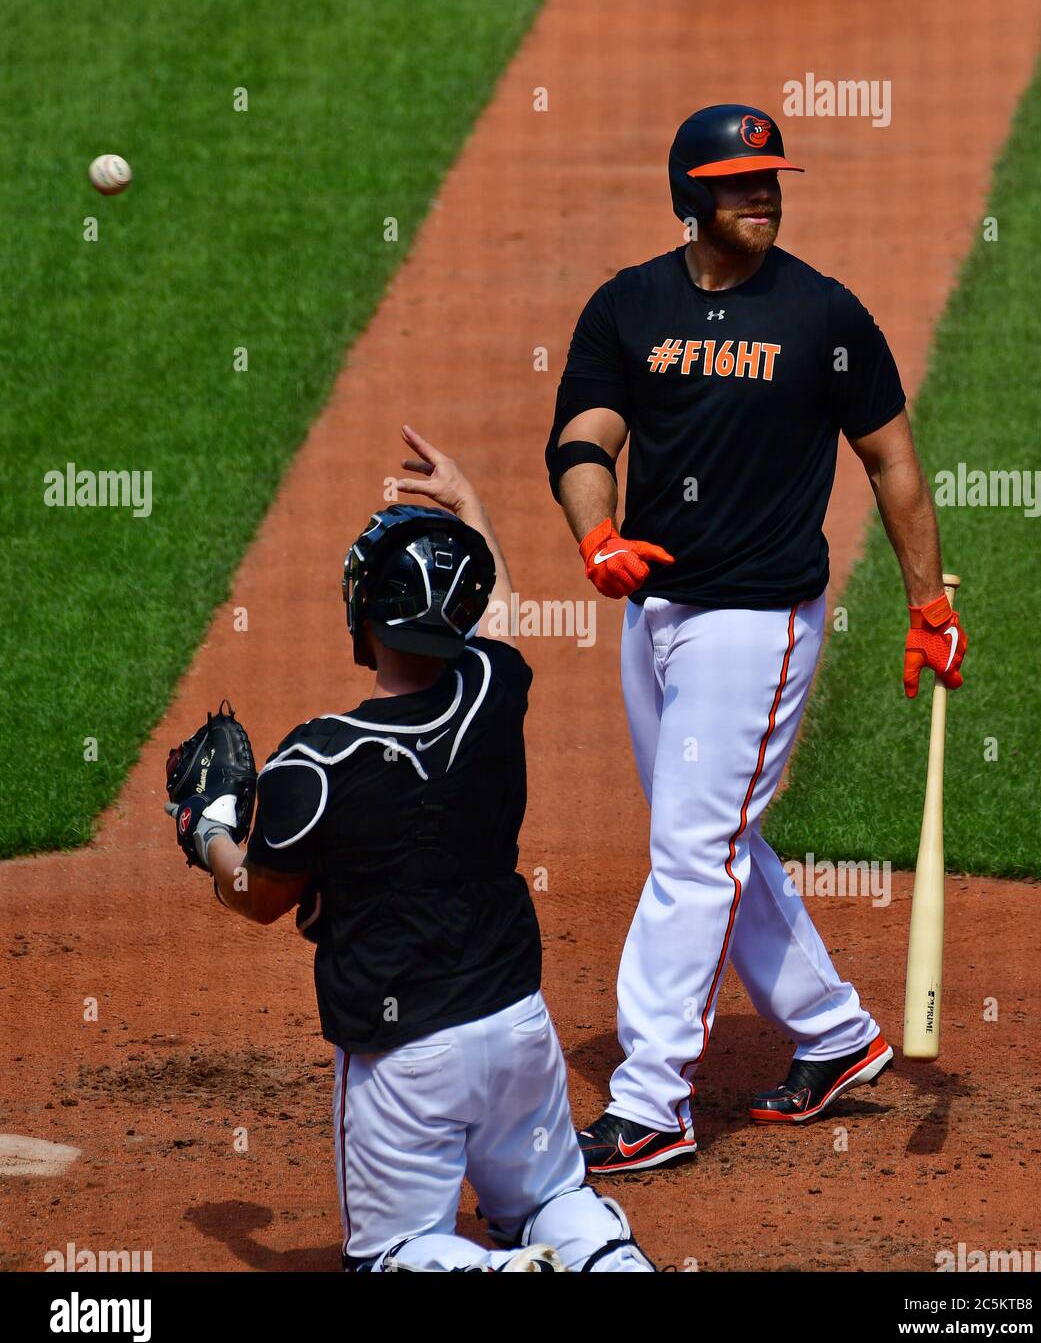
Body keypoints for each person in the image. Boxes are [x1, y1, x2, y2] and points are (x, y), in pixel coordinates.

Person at [545, 104, 969, 1173]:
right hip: (655, 617)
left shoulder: (824, 315)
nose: (764, 194)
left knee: (692, 850)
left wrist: (929, 607)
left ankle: (652, 1100)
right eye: (739, 182)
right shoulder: (628, 306)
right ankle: (834, 1035)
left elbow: (894, 464)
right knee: (714, 839)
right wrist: (596, 533)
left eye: (771, 177)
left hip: (758, 623)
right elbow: (585, 435)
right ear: (692, 197)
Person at [171, 426, 654, 1271]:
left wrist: (207, 829)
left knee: (395, 1254)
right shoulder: (492, 692)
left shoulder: (315, 763)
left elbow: (256, 896)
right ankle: (604, 1262)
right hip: (516, 1026)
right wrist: (470, 509)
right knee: (551, 1199)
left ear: (361, 615)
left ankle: (503, 1270)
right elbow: (497, 615)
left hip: (407, 1061)